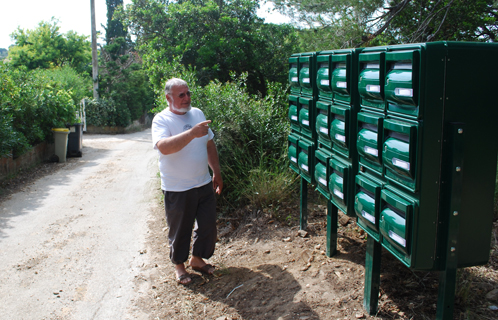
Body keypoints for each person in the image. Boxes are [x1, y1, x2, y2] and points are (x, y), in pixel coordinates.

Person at [151, 78, 223, 285]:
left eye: (188, 93)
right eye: (181, 95)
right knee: (180, 230)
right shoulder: (161, 120)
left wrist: (216, 171)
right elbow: (164, 147)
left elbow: (209, 144)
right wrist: (191, 133)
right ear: (168, 98)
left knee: (208, 225)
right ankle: (179, 267)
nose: (186, 98)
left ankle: (197, 259)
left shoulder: (198, 113)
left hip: (202, 182)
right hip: (178, 187)